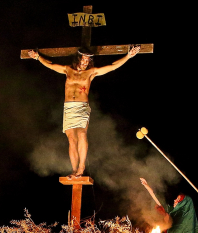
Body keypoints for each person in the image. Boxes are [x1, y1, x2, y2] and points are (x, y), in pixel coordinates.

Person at [28, 46, 140, 179]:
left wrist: (128, 56)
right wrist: (38, 57)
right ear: (78, 58)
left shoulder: (91, 72)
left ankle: (81, 167)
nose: (85, 62)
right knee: (71, 138)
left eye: (88, 60)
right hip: (69, 107)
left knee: (81, 133)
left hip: (81, 106)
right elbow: (51, 64)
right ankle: (74, 170)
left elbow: (112, 66)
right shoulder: (67, 69)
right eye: (84, 59)